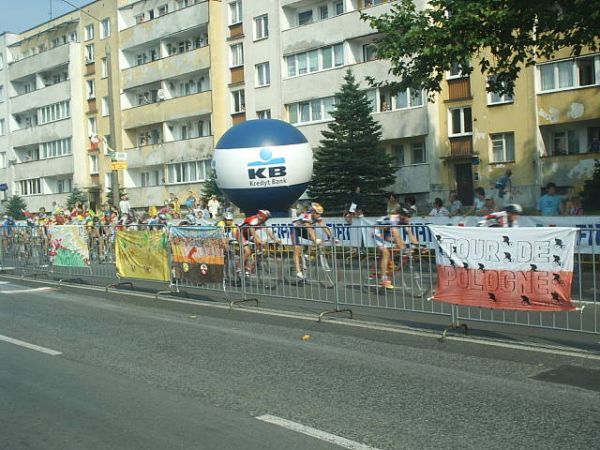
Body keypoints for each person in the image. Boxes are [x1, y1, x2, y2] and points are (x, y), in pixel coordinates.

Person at [373, 207, 418, 288]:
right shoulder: (393, 219)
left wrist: (417, 246)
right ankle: (384, 279)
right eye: (407, 216)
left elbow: (411, 235)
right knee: (386, 253)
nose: (409, 219)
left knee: (401, 243)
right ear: (401, 215)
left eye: (410, 216)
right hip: (377, 231)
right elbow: (396, 235)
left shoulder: (405, 221)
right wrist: (404, 249)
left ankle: (390, 264)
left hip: (387, 231)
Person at [290, 202, 335, 280]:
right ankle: (298, 272)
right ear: (313, 212)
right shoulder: (307, 215)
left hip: (303, 230)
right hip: (295, 230)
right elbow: (308, 227)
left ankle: (307, 254)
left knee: (320, 240)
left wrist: (332, 237)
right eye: (317, 213)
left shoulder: (318, 217)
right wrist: (315, 239)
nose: (319, 215)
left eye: (320, 214)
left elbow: (324, 227)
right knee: (297, 249)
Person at [237, 209, 280, 274]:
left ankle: (250, 266)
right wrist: (259, 241)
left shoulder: (262, 221)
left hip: (248, 234)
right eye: (267, 217)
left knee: (260, 247)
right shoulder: (254, 220)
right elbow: (253, 233)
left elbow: (267, 231)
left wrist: (275, 239)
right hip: (240, 234)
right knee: (248, 251)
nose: (267, 219)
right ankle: (239, 267)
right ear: (263, 216)